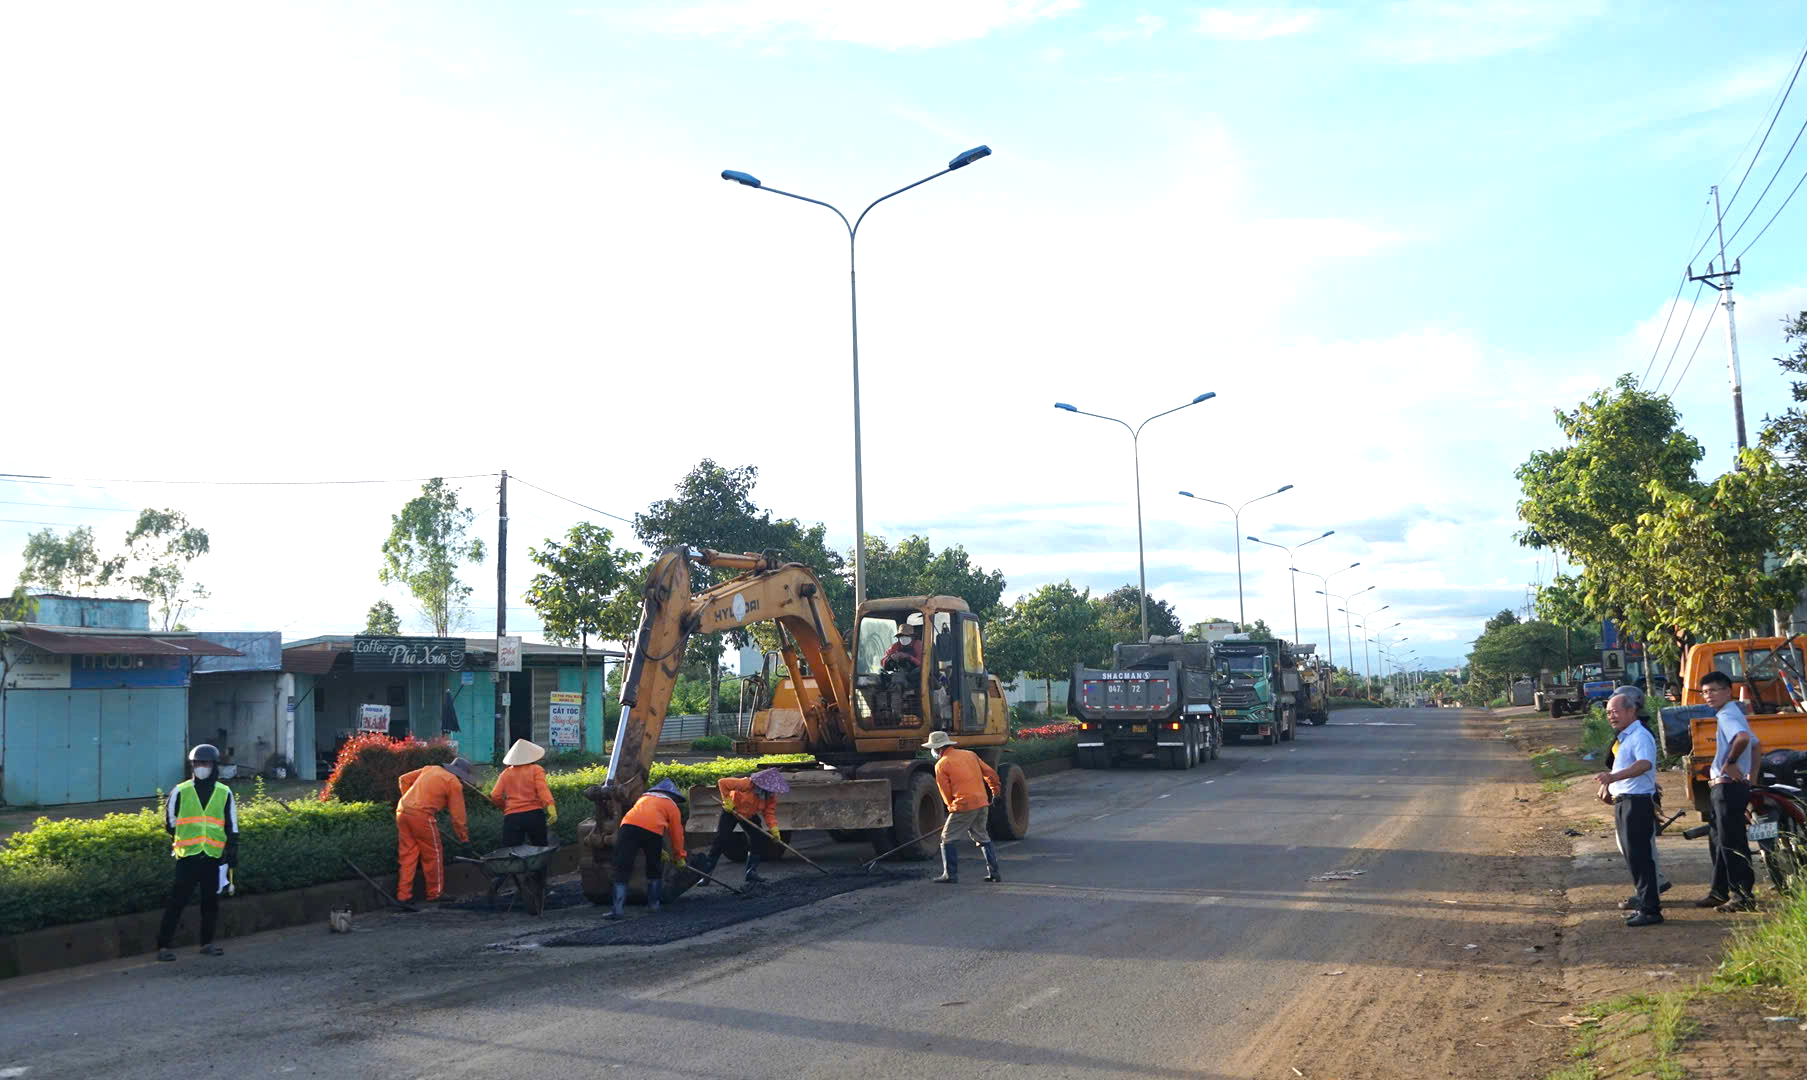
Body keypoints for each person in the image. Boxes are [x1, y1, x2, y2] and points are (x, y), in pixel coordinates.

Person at [155, 744, 240, 961]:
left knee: (210, 903)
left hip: (212, 856)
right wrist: (183, 839)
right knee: (176, 902)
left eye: (205, 763)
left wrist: (232, 850)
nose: (201, 767)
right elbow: (169, 822)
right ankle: (163, 947)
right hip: (187, 856)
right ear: (192, 765)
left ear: (214, 766)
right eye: (197, 763)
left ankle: (207, 943)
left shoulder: (224, 792)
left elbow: (232, 824)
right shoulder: (180, 790)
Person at [1594, 690, 1663, 926]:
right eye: (1608, 713)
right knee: (1633, 857)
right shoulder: (1625, 737)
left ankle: (1651, 910)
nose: (1611, 716)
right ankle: (1644, 905)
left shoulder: (1640, 735)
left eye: (1615, 711)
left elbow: (1644, 764)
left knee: (1642, 857)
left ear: (1631, 711)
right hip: (1624, 802)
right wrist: (1610, 788)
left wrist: (1612, 778)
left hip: (1637, 802)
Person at [1697, 670, 1758, 912]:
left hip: (1727, 788)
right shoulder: (1734, 713)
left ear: (1728, 691)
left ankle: (1742, 896)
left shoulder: (1727, 715)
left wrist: (1730, 763)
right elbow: (1756, 745)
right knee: (1719, 840)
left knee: (1731, 842)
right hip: (1730, 787)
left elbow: (1743, 739)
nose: (1708, 696)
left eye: (1713, 690)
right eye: (1704, 692)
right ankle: (1719, 890)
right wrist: (1750, 779)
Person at [925, 730, 1003, 885]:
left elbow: (945, 792)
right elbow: (990, 773)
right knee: (982, 836)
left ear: (937, 749)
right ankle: (994, 873)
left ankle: (950, 874)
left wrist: (951, 808)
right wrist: (995, 791)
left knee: (947, 838)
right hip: (982, 801)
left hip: (963, 804)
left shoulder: (941, 764)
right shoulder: (970, 755)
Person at [394, 757, 474, 905]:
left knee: (408, 855)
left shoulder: (430, 768)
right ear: (461, 775)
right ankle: (435, 893)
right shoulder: (454, 783)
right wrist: (464, 840)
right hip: (422, 815)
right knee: (433, 854)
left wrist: (409, 801)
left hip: (402, 811)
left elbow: (403, 779)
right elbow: (458, 817)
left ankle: (403, 896)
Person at [609, 778, 687, 919]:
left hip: (627, 828)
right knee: (654, 869)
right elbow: (676, 833)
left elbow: (640, 822)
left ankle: (617, 910)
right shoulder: (671, 805)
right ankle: (653, 906)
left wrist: (659, 849)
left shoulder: (643, 798)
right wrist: (679, 856)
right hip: (652, 832)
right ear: (673, 795)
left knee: (622, 868)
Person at [699, 767, 790, 884]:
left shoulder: (770, 796)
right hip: (732, 811)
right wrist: (728, 801)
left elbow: (769, 813)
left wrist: (774, 829)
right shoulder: (747, 784)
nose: (773, 790)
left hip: (749, 815)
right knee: (721, 839)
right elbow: (722, 782)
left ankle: (751, 872)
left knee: (758, 838)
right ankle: (706, 874)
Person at [490, 739, 557, 847]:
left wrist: (505, 807)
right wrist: (550, 806)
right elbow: (542, 789)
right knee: (540, 849)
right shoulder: (536, 769)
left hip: (512, 818)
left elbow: (495, 795)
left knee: (510, 853)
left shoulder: (505, 773)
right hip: (534, 815)